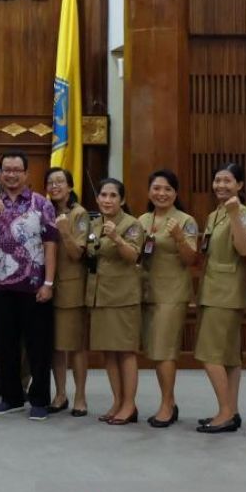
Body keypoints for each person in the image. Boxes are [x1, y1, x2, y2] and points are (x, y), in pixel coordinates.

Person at [0, 152, 57, 420]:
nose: (11, 174)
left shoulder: (41, 203)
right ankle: (11, 397)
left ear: (26, 174)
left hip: (35, 287)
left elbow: (50, 244)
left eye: (17, 170)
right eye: (6, 170)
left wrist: (49, 282)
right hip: (3, 285)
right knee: (5, 345)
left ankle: (40, 400)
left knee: (38, 346)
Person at [194, 163, 246, 434]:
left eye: (228, 181)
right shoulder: (214, 214)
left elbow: (244, 250)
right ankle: (231, 410)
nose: (221, 185)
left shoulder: (240, 212)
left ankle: (225, 413)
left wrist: (233, 215)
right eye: (217, 180)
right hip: (212, 290)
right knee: (229, 357)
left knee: (210, 355)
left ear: (240, 186)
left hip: (227, 293)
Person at [137, 170, 198, 428]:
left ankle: (167, 404)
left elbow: (191, 259)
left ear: (176, 193)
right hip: (147, 291)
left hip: (172, 293)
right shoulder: (142, 219)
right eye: (156, 188)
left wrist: (179, 238)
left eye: (167, 189)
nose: (161, 193)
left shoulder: (185, 221)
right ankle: (168, 402)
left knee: (165, 350)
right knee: (155, 350)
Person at [84, 178, 144, 426]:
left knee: (125, 351)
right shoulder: (95, 223)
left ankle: (130, 405)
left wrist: (117, 239)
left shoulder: (132, 225)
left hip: (122, 297)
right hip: (100, 296)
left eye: (113, 196)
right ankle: (118, 401)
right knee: (108, 352)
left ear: (122, 200)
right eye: (103, 195)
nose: (107, 200)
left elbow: (133, 256)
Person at [46, 167, 89, 416]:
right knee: (55, 345)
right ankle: (60, 393)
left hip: (71, 286)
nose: (55, 186)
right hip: (45, 286)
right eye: (50, 182)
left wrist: (63, 231)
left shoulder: (79, 214)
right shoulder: (44, 211)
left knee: (75, 345)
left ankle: (80, 396)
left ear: (70, 187)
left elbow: (77, 254)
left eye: (60, 181)